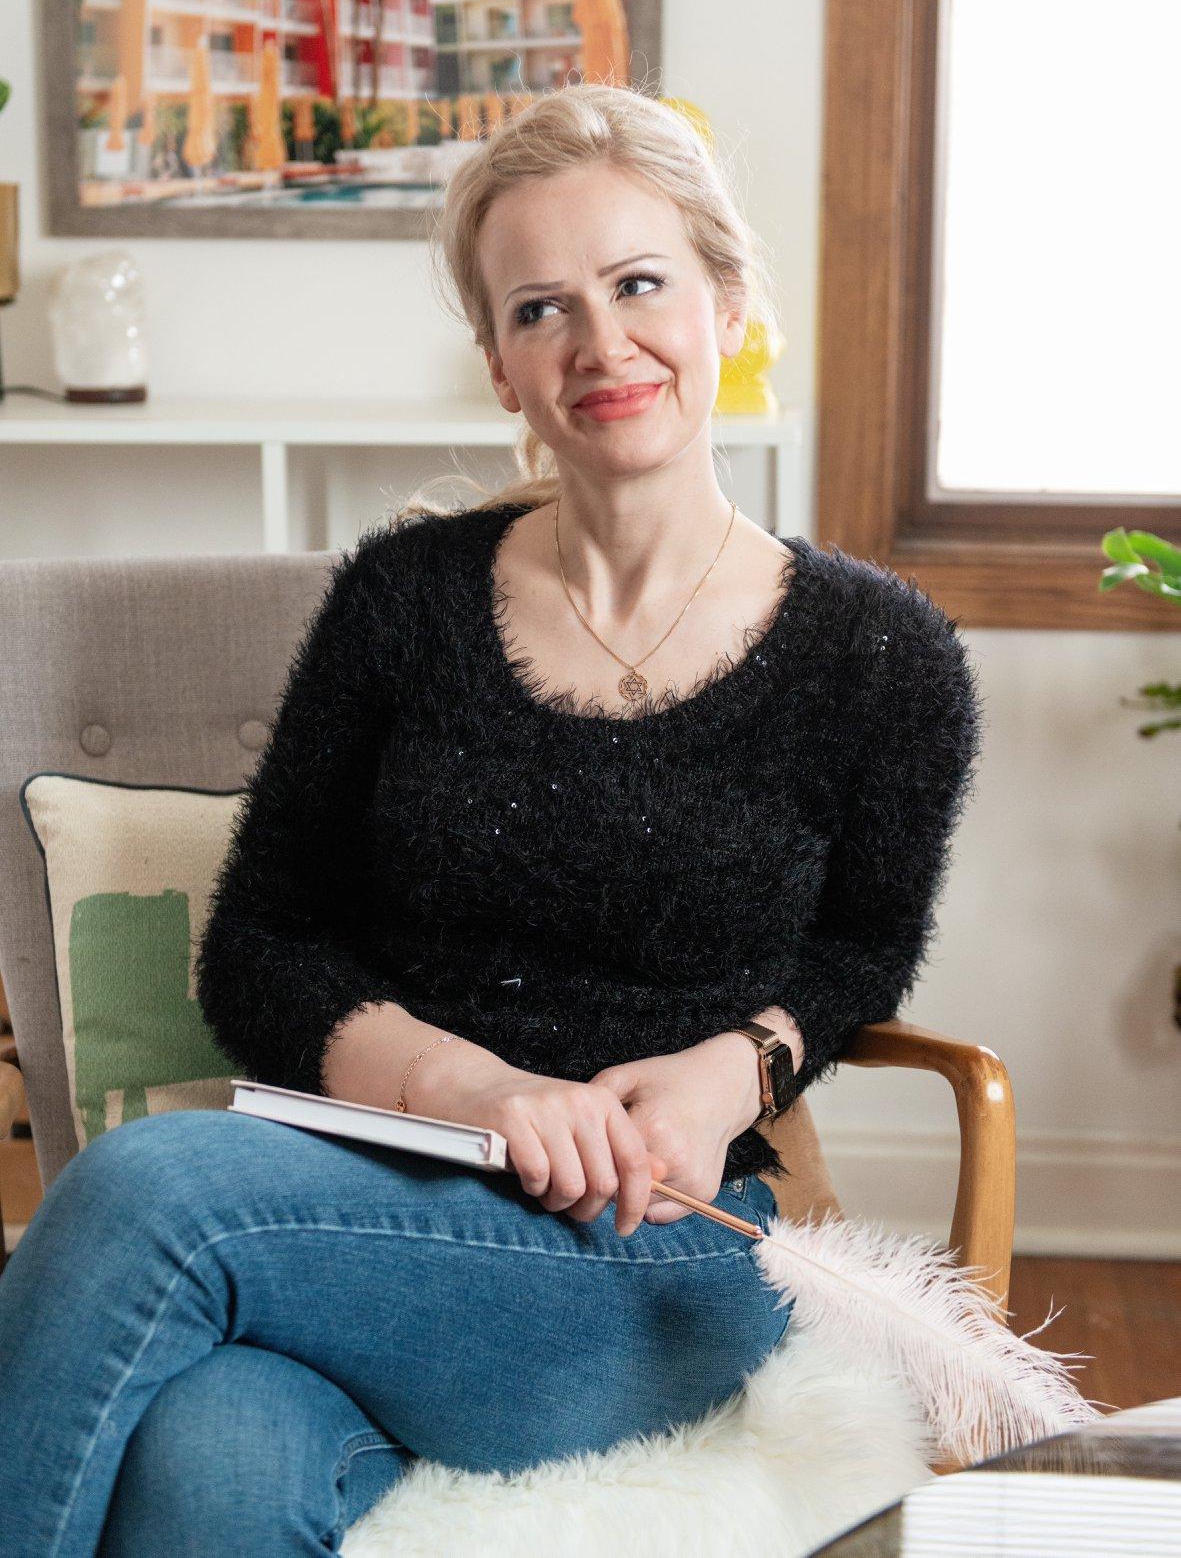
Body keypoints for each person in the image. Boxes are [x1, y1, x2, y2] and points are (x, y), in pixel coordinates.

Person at [0, 84, 983, 1554]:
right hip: (349, 1204)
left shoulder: (881, 655)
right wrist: (471, 1092)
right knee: (206, 1463)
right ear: (499, 363)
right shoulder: (403, 603)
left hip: (643, 1259)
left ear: (725, 299)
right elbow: (260, 949)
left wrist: (734, 1070)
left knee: (147, 1192)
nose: (600, 344)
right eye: (542, 309)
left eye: (638, 283)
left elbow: (857, 954)